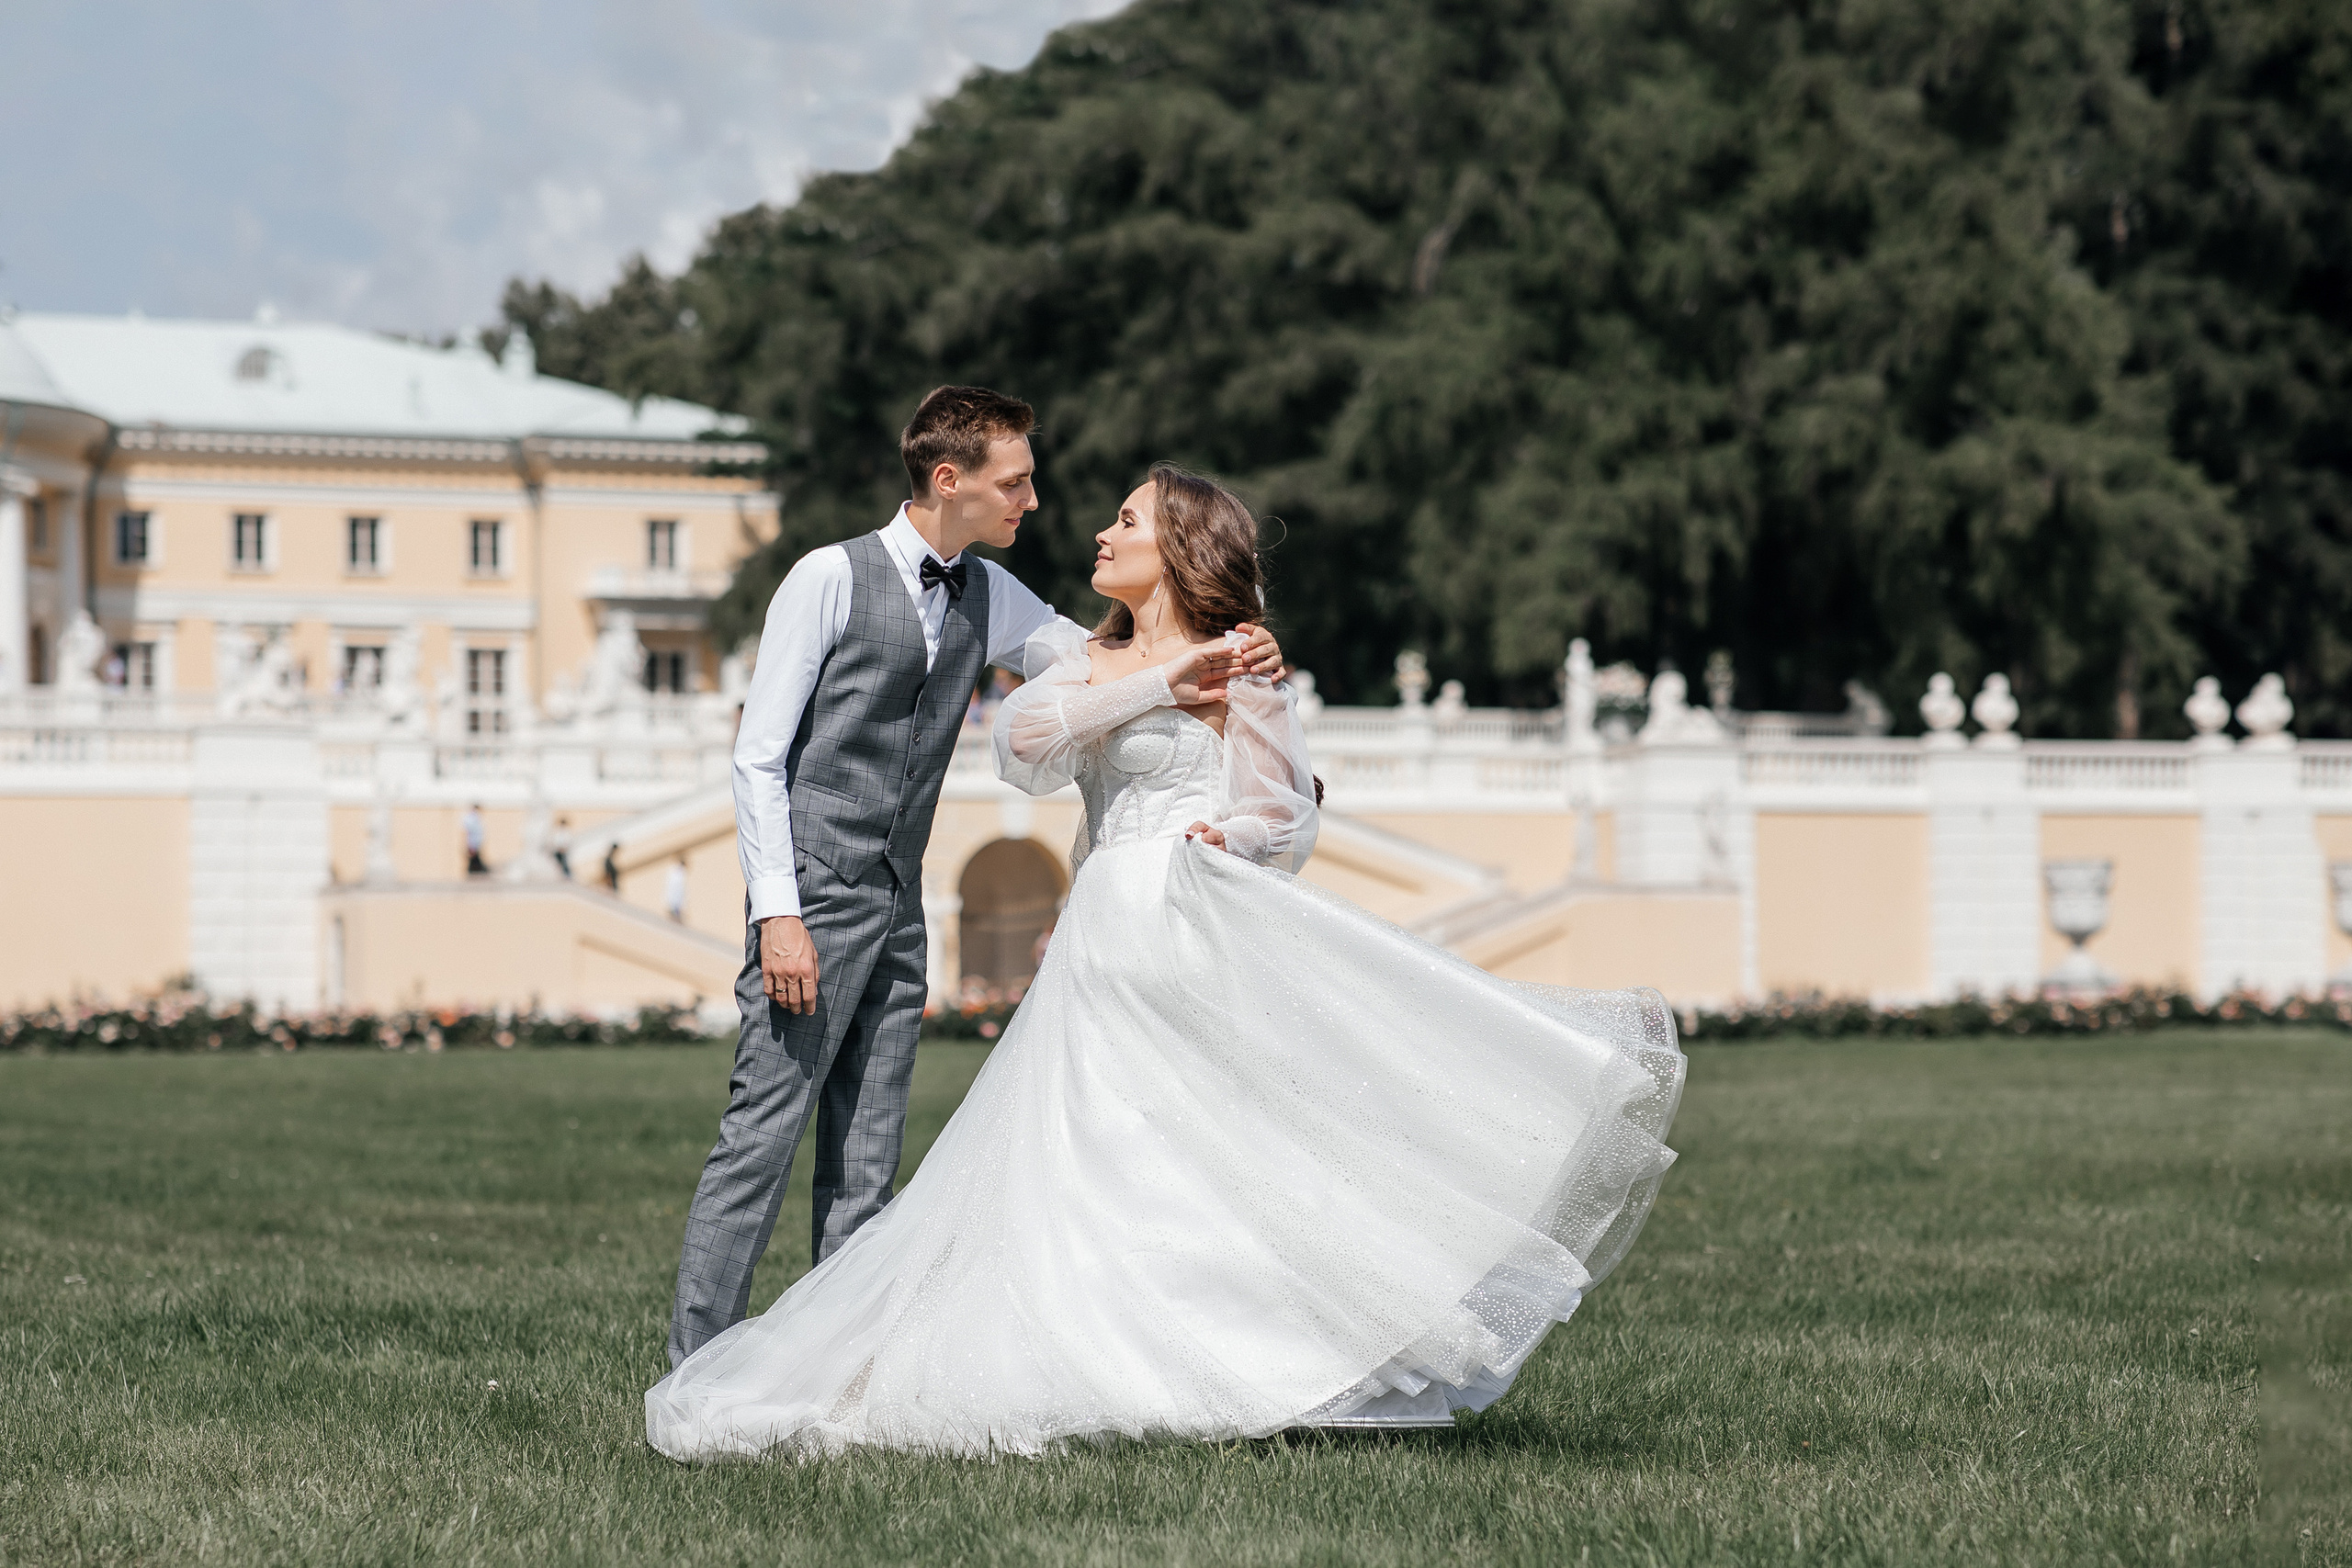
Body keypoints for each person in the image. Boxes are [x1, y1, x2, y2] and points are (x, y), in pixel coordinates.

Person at [647, 462, 1684, 1461]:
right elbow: (1023, 747)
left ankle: (1258, 1360)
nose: (1093, 529)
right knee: (1082, 1152)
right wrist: (1157, 680)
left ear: (1181, 550)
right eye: (1049, 492)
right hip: (1102, 936)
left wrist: (1232, 830)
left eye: (1128, 521)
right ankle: (1077, 1353)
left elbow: (1286, 811)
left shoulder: (1244, 664)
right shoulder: (1082, 658)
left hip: (1194, 924)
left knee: (1208, 1149)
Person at [662, 389, 1286, 1373]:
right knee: (760, 1142)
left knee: (867, 1159)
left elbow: (1101, 661)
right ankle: (695, 1365)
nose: (1033, 502)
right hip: (814, 899)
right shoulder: (827, 577)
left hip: (900, 903)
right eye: (1017, 481)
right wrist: (778, 914)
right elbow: (757, 757)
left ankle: (842, 1367)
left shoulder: (989, 596)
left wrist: (1236, 645)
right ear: (948, 480)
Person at [461, 803, 487, 877]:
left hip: (474, 843)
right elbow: (471, 832)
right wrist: (471, 845)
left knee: (474, 862)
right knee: (474, 862)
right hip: (473, 843)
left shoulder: (475, 818)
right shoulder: (473, 818)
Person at [665, 855, 690, 924]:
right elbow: (678, 891)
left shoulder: (676, 873)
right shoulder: (678, 875)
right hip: (675, 904)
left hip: (674, 903)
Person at [550, 816, 573, 880]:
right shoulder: (559, 830)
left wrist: (564, 848)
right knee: (559, 863)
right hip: (558, 849)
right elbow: (556, 840)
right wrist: (558, 847)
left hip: (564, 849)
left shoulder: (566, 831)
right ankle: (562, 875)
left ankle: (567, 875)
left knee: (565, 863)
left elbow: (568, 840)